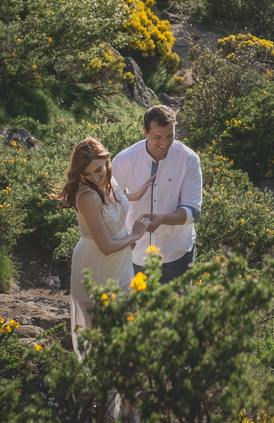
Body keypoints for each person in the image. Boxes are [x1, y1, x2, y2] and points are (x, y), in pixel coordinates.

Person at [57, 137, 154, 360]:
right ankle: (94, 385)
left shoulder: (107, 179)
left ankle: (120, 381)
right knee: (95, 333)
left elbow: (113, 198)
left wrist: (134, 195)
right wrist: (135, 235)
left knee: (123, 322)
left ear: (107, 160)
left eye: (99, 170)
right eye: (87, 174)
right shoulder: (88, 195)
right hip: (94, 263)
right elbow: (106, 246)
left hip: (120, 263)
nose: (95, 178)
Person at [112, 105, 202, 284]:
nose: (165, 143)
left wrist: (161, 219)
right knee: (137, 311)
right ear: (145, 132)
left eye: (170, 136)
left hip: (177, 254)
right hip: (135, 254)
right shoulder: (124, 160)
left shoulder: (189, 159)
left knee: (177, 312)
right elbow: (108, 201)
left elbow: (193, 210)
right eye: (157, 137)